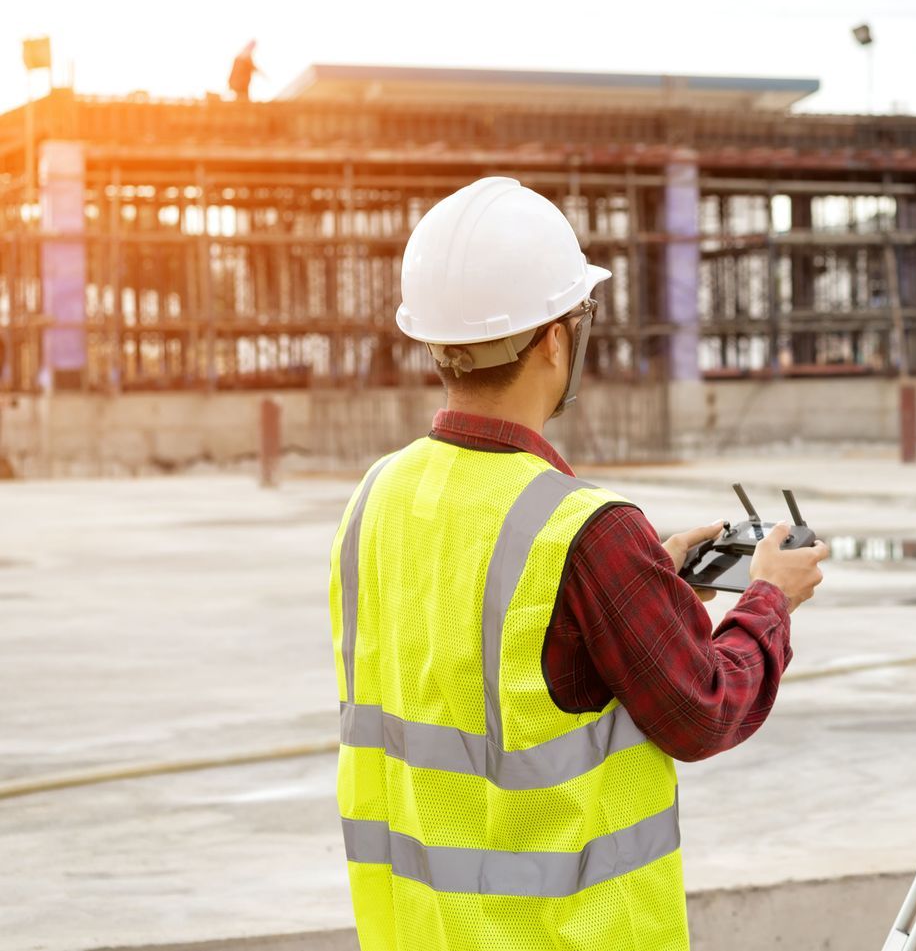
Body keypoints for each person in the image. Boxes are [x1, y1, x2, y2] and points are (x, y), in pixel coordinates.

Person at [328, 176, 827, 950]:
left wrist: (642, 578)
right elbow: (702, 710)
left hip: (420, 931)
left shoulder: (376, 495)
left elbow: (478, 659)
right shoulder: (586, 531)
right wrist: (769, 598)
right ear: (558, 337)